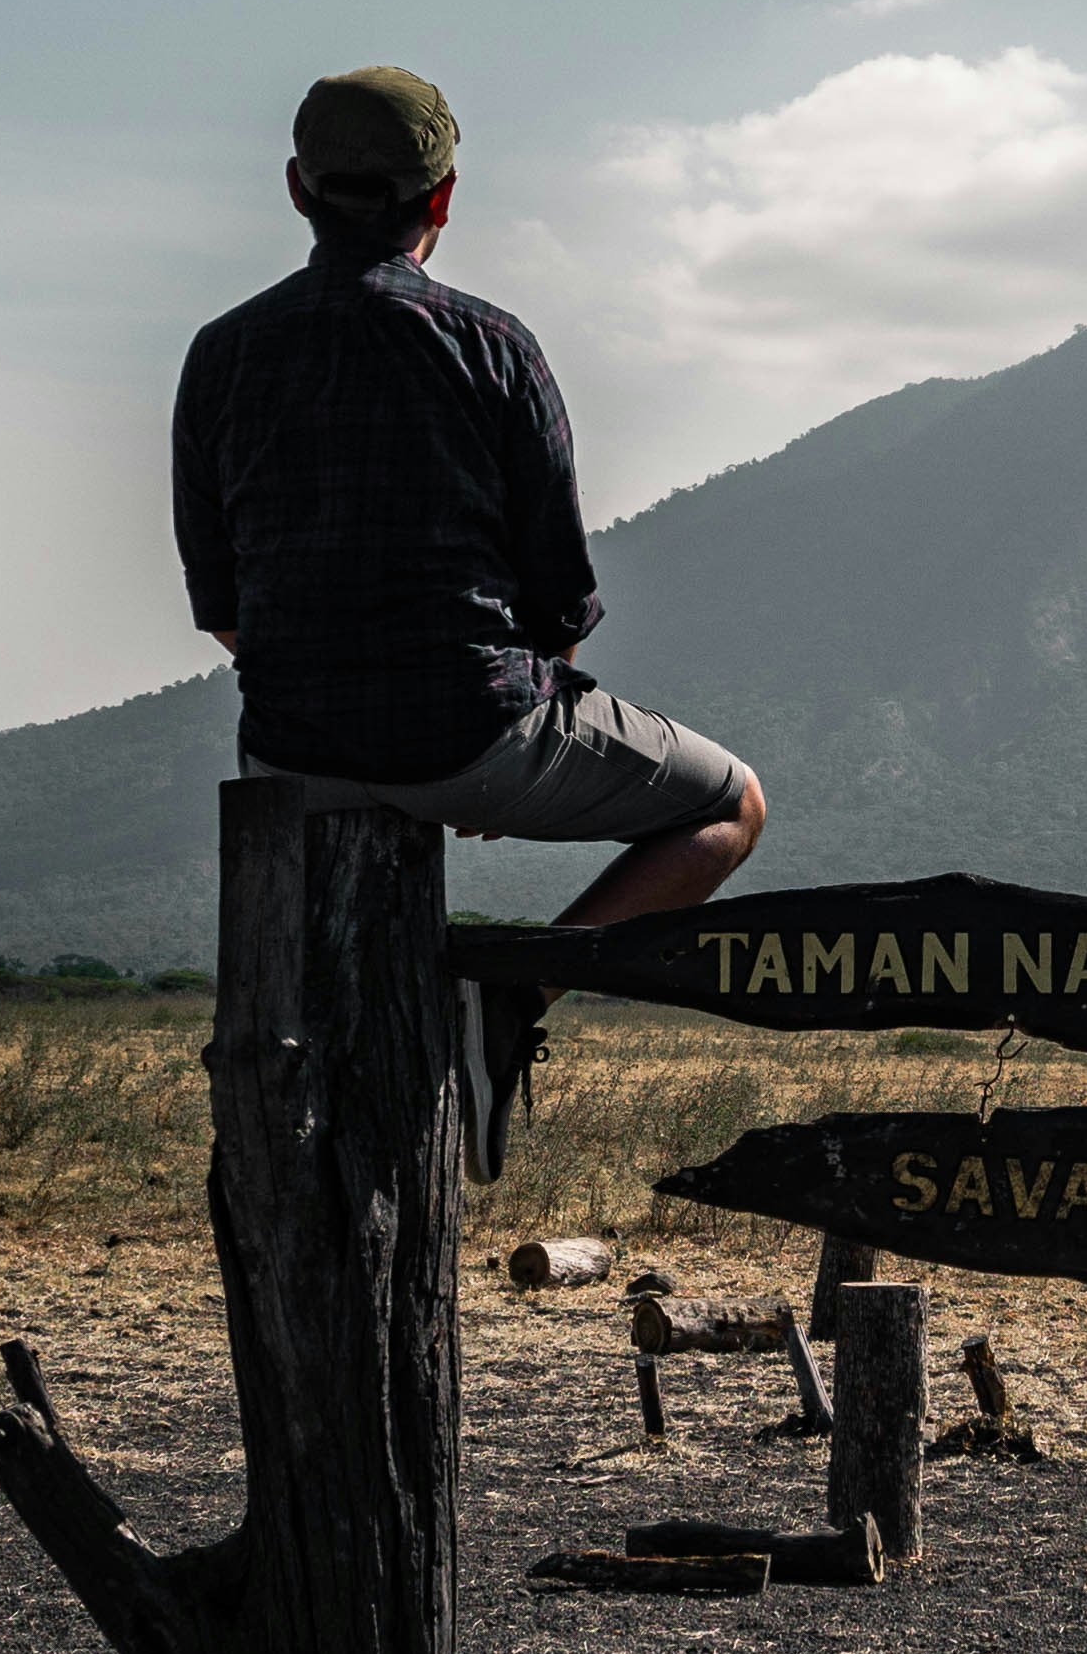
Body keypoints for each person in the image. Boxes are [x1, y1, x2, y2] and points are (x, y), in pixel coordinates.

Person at [173, 66, 767, 998]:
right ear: (443, 195)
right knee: (730, 805)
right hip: (473, 736)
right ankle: (509, 1003)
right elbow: (558, 595)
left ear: (297, 187)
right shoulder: (493, 346)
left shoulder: (220, 352)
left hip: (292, 749)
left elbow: (225, 608)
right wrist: (500, 733)